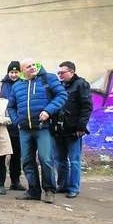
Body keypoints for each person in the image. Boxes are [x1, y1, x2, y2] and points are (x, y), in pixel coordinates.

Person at [7, 58, 67, 204]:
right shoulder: (17, 86)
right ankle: (33, 191)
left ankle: (49, 191)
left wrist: (48, 110)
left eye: (34, 65)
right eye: (28, 66)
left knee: (46, 159)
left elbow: (62, 95)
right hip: (25, 130)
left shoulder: (48, 79)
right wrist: (17, 121)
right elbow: (11, 107)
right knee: (27, 161)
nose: (33, 68)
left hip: (43, 128)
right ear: (22, 71)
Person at [54, 61, 92, 198]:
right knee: (60, 160)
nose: (60, 75)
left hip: (74, 130)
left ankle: (73, 188)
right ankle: (62, 185)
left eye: (62, 72)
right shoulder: (60, 86)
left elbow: (86, 107)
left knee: (74, 160)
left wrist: (81, 127)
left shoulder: (81, 84)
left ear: (72, 72)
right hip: (59, 129)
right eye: (58, 73)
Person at [0, 61, 25, 191]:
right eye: (11, 72)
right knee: (1, 154)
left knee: (16, 154)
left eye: (16, 72)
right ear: (8, 72)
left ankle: (15, 181)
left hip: (17, 125)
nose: (14, 75)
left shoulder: (23, 84)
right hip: (4, 126)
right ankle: (0, 182)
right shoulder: (2, 85)